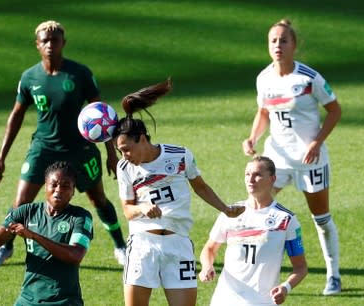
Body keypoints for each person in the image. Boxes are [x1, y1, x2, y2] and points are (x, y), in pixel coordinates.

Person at [0, 20, 126, 268]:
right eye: (45, 41)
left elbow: (102, 114)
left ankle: (120, 246)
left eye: (55, 40)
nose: (50, 44)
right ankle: (6, 246)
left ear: (63, 43)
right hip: (43, 149)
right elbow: (16, 116)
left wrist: (111, 154)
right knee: (21, 203)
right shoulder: (29, 78)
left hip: (79, 150)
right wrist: (1, 158)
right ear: (37, 45)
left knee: (98, 200)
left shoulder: (80, 74)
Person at [112, 78, 245, 306]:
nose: (124, 155)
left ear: (142, 139)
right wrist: (142, 208)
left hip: (178, 244)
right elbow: (127, 210)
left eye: (126, 149)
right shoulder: (125, 168)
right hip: (143, 244)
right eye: (119, 151)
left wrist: (224, 209)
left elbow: (200, 186)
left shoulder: (180, 156)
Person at [241, 19, 342, 295]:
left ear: (294, 46)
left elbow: (335, 110)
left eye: (284, 40)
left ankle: (333, 275)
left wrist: (317, 142)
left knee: (320, 218)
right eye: (273, 41)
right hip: (277, 159)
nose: (278, 46)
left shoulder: (309, 78)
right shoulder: (264, 79)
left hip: (310, 160)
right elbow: (263, 112)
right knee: (259, 210)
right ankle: (258, 274)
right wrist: (253, 138)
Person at [0, 161, 94, 306]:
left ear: (73, 191)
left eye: (65, 186)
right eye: (54, 184)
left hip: (63, 302)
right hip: (28, 300)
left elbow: (75, 255)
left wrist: (33, 236)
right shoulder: (26, 212)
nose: (58, 190)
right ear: (45, 186)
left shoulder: (80, 217)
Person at [199, 156, 308, 305]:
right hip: (225, 299)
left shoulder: (286, 219)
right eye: (247, 174)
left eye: (257, 175)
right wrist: (207, 266)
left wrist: (285, 287)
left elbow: (300, 267)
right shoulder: (231, 212)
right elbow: (210, 249)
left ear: (272, 178)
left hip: (262, 302)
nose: (250, 179)